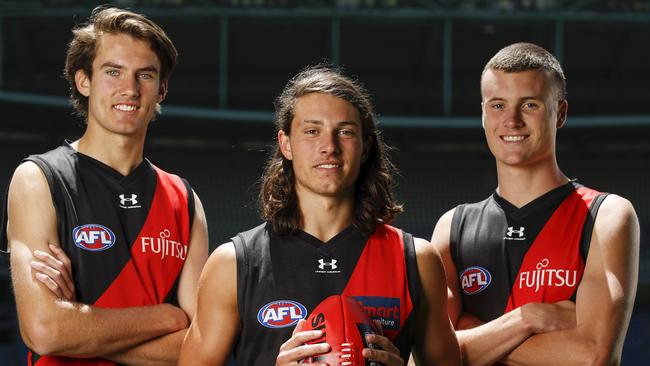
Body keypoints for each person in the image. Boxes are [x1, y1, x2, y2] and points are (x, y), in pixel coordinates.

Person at [178, 65, 461, 366]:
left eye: (346, 132)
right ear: (286, 143)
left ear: (365, 147)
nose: (329, 147)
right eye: (312, 131)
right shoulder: (233, 264)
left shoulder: (417, 261)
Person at [0, 6, 208, 365]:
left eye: (145, 75)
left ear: (162, 89)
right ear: (84, 80)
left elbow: (203, 347)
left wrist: (79, 323)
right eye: (113, 72)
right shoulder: (39, 179)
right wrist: (167, 317)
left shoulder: (184, 200)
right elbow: (44, 330)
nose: (129, 89)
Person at [431, 42, 639, 365]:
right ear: (483, 114)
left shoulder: (605, 217)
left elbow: (594, 355)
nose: (511, 121)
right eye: (498, 105)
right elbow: (429, 358)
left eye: (529, 105)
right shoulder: (452, 228)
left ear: (561, 113)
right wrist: (528, 318)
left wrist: (470, 336)